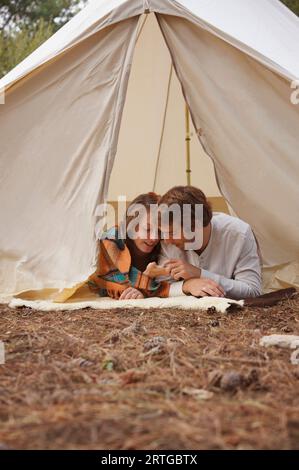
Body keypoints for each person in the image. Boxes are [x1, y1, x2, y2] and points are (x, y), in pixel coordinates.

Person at [158, 186, 262, 300]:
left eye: (172, 233)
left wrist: (199, 274)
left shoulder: (239, 234)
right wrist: (187, 285)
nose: (166, 240)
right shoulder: (167, 241)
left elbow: (252, 290)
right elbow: (159, 287)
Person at [88, 193, 170, 300]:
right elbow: (115, 283)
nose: (155, 238)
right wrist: (145, 283)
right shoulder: (111, 239)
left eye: (159, 231)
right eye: (148, 229)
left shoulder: (165, 244)